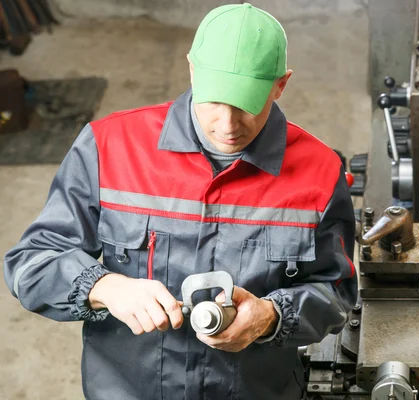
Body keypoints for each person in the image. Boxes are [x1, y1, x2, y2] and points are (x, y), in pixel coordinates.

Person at [3, 3, 357, 400]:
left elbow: (338, 293)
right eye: (214, 100)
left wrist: (271, 316)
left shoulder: (320, 173)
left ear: (281, 84)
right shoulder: (109, 149)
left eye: (245, 103)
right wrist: (105, 286)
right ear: (192, 70)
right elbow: (29, 264)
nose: (227, 125)